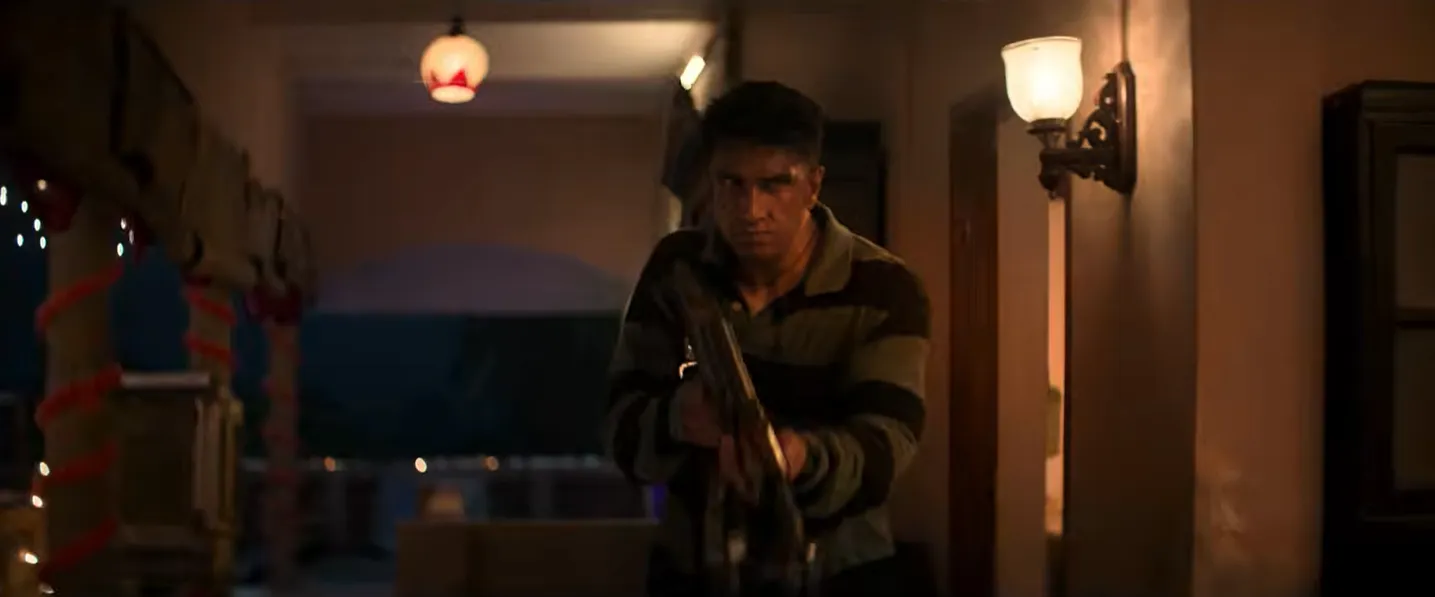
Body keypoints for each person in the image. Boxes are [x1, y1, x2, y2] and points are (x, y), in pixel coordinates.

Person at [602, 81, 930, 597]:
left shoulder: (885, 287)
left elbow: (888, 444)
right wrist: (678, 417)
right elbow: (619, 429)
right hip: (695, 570)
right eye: (731, 183)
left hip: (840, 573)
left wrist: (798, 458)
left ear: (813, 185)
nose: (751, 209)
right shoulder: (678, 269)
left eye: (775, 184)